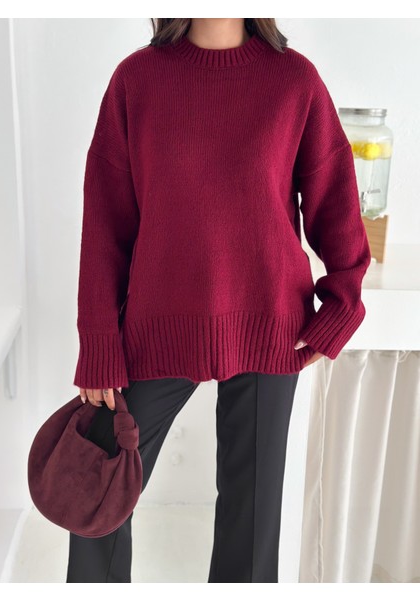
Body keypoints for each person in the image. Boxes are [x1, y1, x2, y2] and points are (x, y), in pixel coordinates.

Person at [66, 18, 371, 583]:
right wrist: (99, 342)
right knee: (95, 500)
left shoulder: (294, 82)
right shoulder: (136, 81)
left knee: (250, 531)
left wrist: (340, 310)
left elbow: (336, 202)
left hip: (271, 328)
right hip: (156, 328)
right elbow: (105, 221)